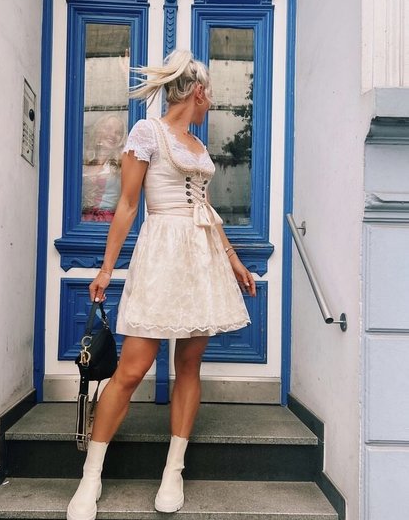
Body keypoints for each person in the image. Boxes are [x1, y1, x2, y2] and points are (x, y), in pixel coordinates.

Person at [67, 50, 256, 520]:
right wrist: (106, 269)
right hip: (161, 254)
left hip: (201, 258)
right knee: (131, 370)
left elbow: (206, 208)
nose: (212, 102)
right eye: (211, 94)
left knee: (189, 365)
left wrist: (232, 259)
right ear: (198, 92)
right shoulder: (146, 132)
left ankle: (174, 469)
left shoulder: (197, 144)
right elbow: (128, 205)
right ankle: (90, 476)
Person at [81, 114, 126, 222]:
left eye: (118, 132)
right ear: (98, 131)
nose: (113, 134)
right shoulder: (84, 161)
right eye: (108, 128)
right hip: (81, 221)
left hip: (108, 222)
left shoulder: (122, 164)